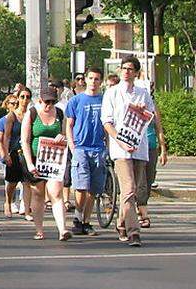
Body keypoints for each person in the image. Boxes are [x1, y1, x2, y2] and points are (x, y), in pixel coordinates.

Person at [101, 56, 161, 246]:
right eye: (124, 68)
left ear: (136, 73)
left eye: (130, 69)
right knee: (128, 189)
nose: (126, 72)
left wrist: (143, 111)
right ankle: (134, 232)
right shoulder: (112, 93)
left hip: (139, 146)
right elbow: (107, 122)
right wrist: (119, 140)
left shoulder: (143, 93)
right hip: (121, 149)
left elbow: (150, 117)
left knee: (132, 192)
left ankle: (120, 223)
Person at [22, 85, 69, 241]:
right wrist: (30, 164)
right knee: (38, 194)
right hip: (36, 158)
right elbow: (25, 140)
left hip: (54, 159)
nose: (49, 105)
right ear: (39, 100)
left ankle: (62, 229)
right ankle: (39, 229)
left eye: (52, 102)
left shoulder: (60, 114)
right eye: (46, 102)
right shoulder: (32, 114)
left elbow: (65, 133)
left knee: (56, 192)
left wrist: (62, 137)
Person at [64, 68, 105, 235]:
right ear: (85, 80)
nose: (93, 82)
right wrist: (72, 146)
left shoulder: (105, 100)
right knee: (81, 186)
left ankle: (86, 221)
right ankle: (78, 217)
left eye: (96, 79)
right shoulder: (75, 101)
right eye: (91, 78)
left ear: (100, 82)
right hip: (80, 147)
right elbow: (69, 125)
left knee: (94, 189)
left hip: (98, 149)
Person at [137, 83, 168, 229]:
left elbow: (159, 129)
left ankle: (141, 205)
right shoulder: (133, 106)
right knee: (141, 183)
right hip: (137, 148)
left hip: (151, 147)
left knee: (149, 181)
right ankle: (143, 213)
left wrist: (163, 149)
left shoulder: (153, 108)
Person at [0, 86, 31, 218]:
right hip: (14, 152)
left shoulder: (30, 115)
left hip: (26, 153)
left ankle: (27, 210)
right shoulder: (12, 116)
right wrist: (5, 154)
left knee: (27, 182)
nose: (25, 100)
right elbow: (6, 136)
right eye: (22, 97)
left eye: (28, 97)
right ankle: (8, 202)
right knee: (12, 182)